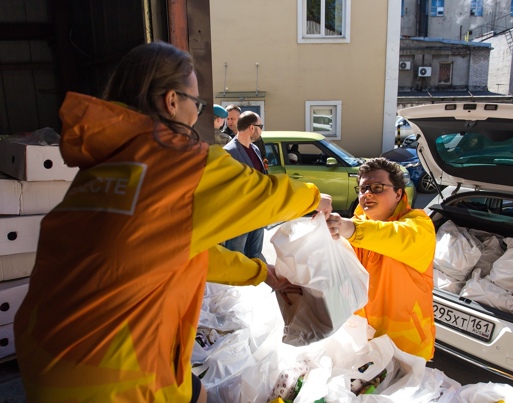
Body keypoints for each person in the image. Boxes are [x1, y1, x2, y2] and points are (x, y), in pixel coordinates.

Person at [13, 41, 332, 403]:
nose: (197, 115)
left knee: (196, 393)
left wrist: (261, 273)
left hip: (45, 344)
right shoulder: (179, 165)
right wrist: (313, 199)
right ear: (171, 101)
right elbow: (261, 195)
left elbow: (169, 250)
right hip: (108, 373)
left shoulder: (109, 164)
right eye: (195, 104)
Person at [325, 157, 436, 361]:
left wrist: (350, 229)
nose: (367, 193)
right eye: (363, 188)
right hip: (362, 341)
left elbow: (397, 236)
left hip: (405, 344)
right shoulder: (353, 227)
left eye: (377, 187)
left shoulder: (419, 224)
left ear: (398, 193)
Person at [223, 111, 267, 261]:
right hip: (239, 215)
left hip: (257, 211)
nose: (262, 130)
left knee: (255, 255)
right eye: (261, 126)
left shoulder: (255, 149)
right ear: (252, 128)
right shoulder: (229, 152)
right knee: (236, 256)